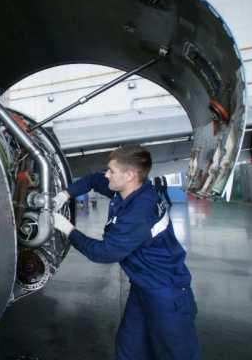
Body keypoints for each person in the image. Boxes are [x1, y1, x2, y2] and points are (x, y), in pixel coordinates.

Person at [51, 145, 199, 360]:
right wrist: (64, 195)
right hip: (142, 286)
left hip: (166, 292)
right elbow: (93, 179)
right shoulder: (130, 190)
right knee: (130, 347)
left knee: (175, 354)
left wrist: (67, 229)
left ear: (130, 175)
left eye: (111, 171)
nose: (107, 174)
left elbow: (104, 253)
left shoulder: (138, 212)